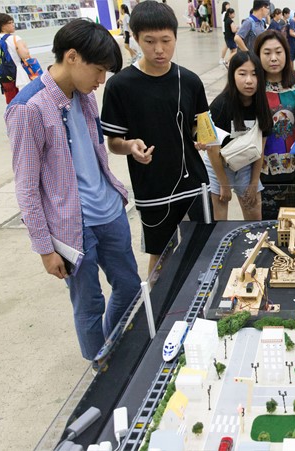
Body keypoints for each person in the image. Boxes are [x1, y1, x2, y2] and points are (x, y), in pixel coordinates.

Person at [5, 19, 140, 364]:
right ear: (72, 57)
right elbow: (26, 187)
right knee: (89, 304)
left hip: (109, 212)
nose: (101, 80)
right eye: (99, 70)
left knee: (129, 286)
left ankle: (109, 345)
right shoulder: (28, 109)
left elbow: (94, 151)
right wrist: (44, 248)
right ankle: (102, 368)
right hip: (70, 228)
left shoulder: (84, 95)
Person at [101, 1, 210, 276]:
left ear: (176, 37)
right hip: (153, 189)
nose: (159, 49)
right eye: (149, 41)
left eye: (166, 40)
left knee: (203, 248)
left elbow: (199, 127)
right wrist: (130, 146)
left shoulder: (190, 81)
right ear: (136, 39)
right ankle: (158, 301)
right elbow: (113, 142)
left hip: (194, 184)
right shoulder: (120, 86)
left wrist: (201, 138)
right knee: (160, 256)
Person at [203, 52, 272, 221]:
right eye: (242, 73)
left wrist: (254, 182)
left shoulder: (262, 106)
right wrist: (224, 184)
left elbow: (260, 149)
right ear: (232, 75)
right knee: (219, 221)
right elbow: (212, 150)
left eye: (254, 74)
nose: (249, 80)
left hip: (246, 163)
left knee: (254, 215)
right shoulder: (220, 105)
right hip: (218, 164)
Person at [254, 30, 295, 220]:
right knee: (267, 219)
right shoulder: (253, 84)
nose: (273, 58)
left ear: (287, 54)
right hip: (263, 165)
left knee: (291, 217)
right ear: (258, 55)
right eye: (267, 53)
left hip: (293, 162)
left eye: (278, 52)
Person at [0, 13, 33, 104]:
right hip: (18, 75)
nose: (13, 24)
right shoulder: (15, 38)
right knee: (25, 100)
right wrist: (24, 46)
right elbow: (25, 55)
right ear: (3, 26)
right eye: (10, 23)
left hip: (4, 76)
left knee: (11, 101)